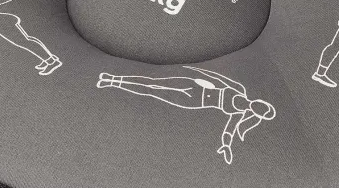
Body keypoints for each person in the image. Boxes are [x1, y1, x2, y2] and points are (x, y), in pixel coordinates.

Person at [97, 66, 275, 164]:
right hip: (198, 85)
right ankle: (114, 77)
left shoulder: (238, 114)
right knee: (154, 81)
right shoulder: (240, 89)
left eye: (261, 111)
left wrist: (226, 145)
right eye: (263, 106)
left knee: (153, 92)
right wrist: (200, 76)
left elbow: (230, 129)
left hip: (195, 101)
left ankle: (113, 83)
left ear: (256, 114)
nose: (259, 107)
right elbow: (220, 79)